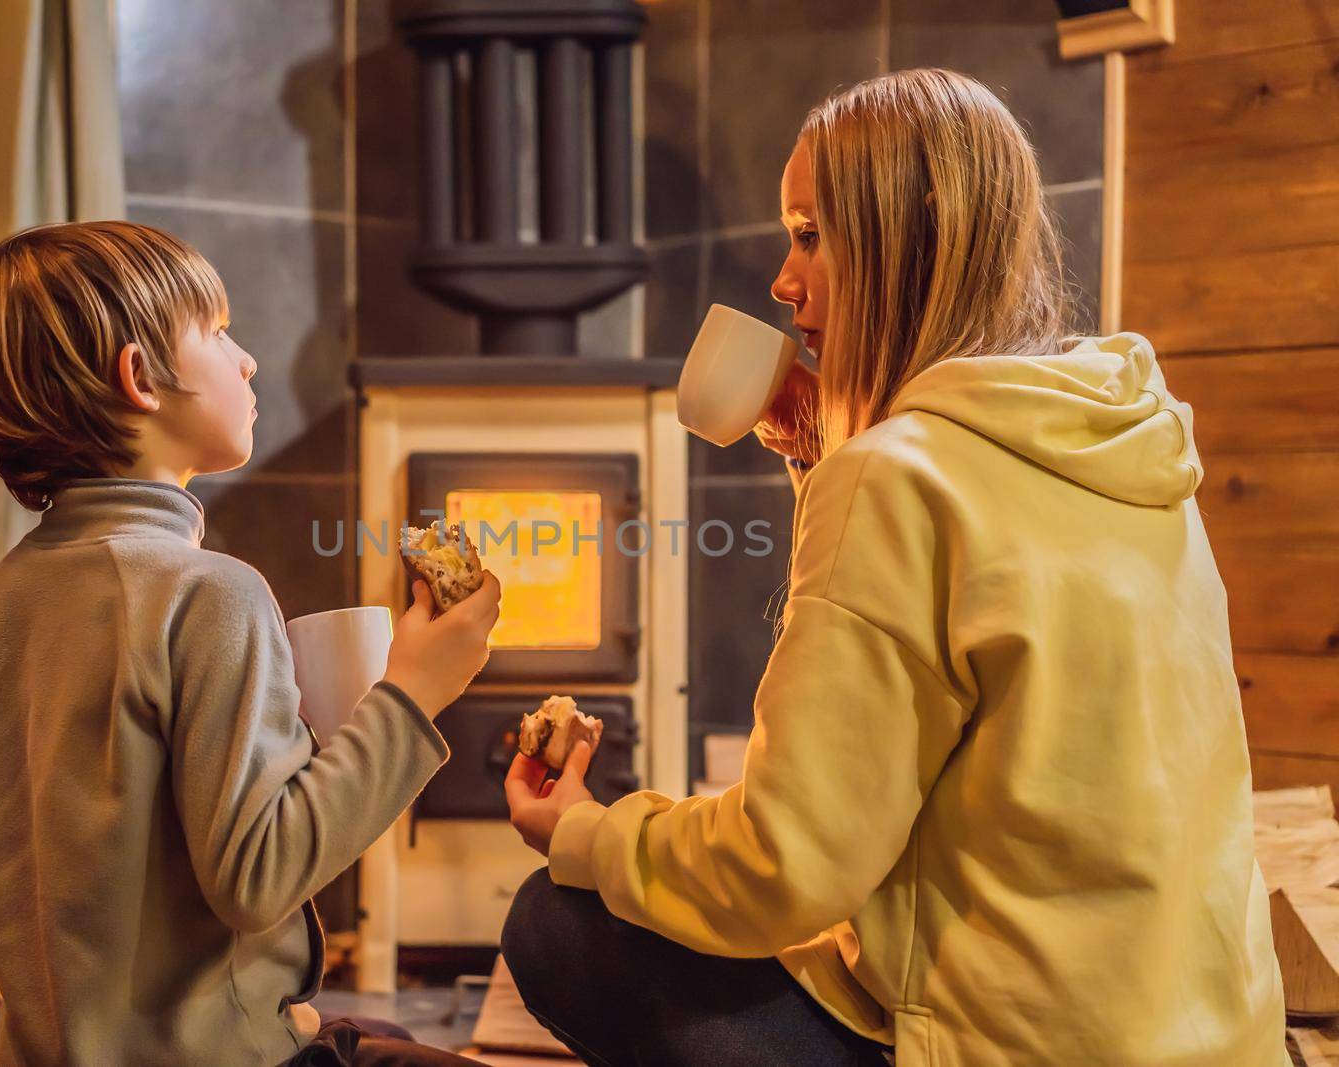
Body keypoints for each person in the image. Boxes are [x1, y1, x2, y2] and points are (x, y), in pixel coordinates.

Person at [501, 69, 1290, 1067]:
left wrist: (583, 829)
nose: (784, 284)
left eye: (808, 235)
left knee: (555, 920)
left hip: (1007, 1047)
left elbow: (786, 867)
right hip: (1210, 1036)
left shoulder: (892, 477)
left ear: (903, 241)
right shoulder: (1124, 442)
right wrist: (825, 456)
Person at [0, 220, 498, 1067]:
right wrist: (413, 695)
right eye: (217, 331)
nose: (244, 359)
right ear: (140, 379)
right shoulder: (210, 593)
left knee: (374, 1037)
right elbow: (260, 877)